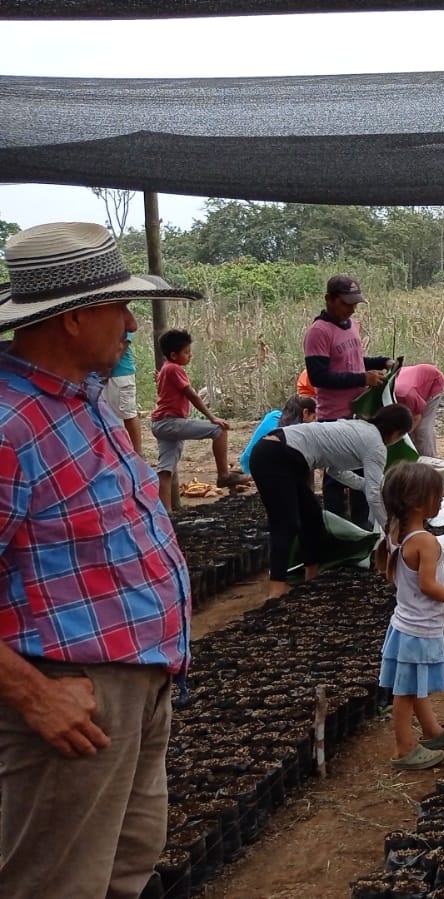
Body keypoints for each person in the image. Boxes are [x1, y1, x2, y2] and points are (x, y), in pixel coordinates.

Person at [0, 221, 199, 899]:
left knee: (125, 868)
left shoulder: (82, 403)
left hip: (135, 685)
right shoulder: (9, 426)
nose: (133, 326)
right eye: (121, 308)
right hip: (70, 698)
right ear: (75, 317)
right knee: (59, 883)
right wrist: (33, 694)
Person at [250, 404, 414, 598]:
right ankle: (277, 589)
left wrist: (365, 485)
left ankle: (311, 575)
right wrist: (389, 529)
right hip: (276, 455)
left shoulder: (360, 428)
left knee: (312, 517)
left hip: (283, 455)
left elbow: (335, 471)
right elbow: (374, 495)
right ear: (397, 433)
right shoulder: (375, 444)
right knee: (286, 523)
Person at [375, 462, 444, 770]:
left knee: (413, 685)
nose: (442, 499)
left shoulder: (396, 532)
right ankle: (404, 748)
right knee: (405, 692)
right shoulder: (425, 541)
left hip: (404, 624)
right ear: (417, 503)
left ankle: (432, 731)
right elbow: (428, 585)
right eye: (437, 495)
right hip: (418, 630)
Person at [304, 274, 392, 528]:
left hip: (359, 412)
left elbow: (352, 361)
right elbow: (318, 376)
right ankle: (335, 528)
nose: (352, 309)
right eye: (346, 303)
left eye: (355, 303)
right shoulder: (319, 332)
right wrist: (362, 378)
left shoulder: (352, 325)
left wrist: (381, 362)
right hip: (334, 415)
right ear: (329, 299)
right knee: (336, 477)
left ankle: (362, 528)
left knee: (362, 472)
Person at [149, 328, 249, 510]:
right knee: (219, 430)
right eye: (186, 352)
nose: (190, 355)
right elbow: (192, 395)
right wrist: (212, 417)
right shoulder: (173, 368)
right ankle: (223, 475)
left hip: (160, 423)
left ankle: (166, 514)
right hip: (170, 422)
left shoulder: (166, 368)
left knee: (165, 470)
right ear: (174, 355)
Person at [240, 395, 317, 476]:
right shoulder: (298, 430)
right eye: (313, 417)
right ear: (305, 412)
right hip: (266, 470)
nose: (314, 421)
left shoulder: (273, 415)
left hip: (247, 461)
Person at [394, 363, 444, 459]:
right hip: (412, 379)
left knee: (422, 428)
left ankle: (429, 460)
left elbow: (416, 417)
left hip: (433, 381)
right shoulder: (383, 398)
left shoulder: (405, 395)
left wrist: (403, 436)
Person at [105, 329, 142, 454]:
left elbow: (124, 343)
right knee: (107, 414)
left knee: (127, 413)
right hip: (101, 375)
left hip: (120, 373)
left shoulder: (122, 321)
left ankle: (138, 454)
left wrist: (108, 367)